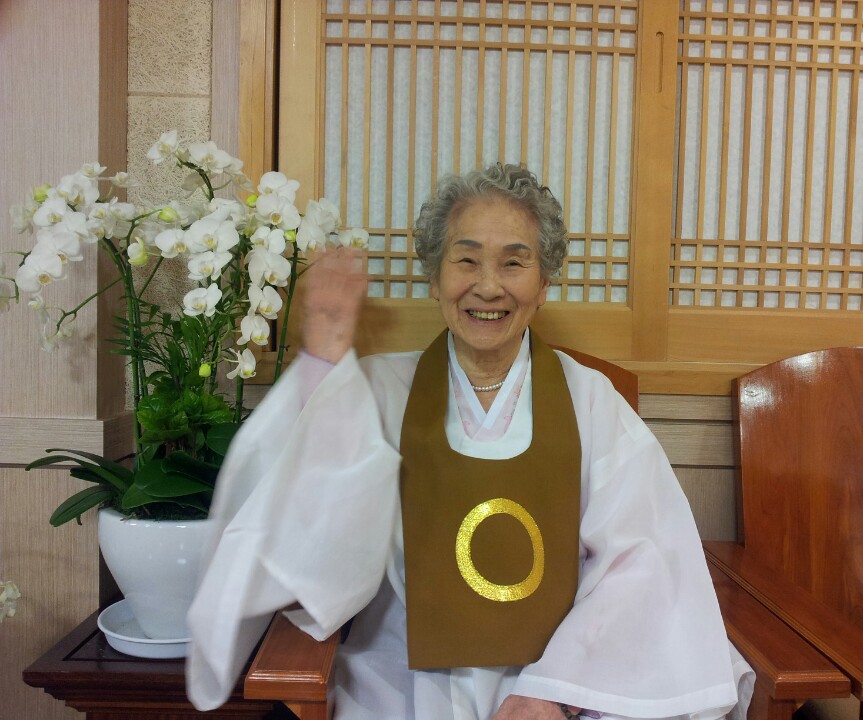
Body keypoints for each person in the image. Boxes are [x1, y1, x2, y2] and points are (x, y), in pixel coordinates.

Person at [186, 164, 754, 719]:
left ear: (544, 283)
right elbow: (314, 530)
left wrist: (554, 693)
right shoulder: (379, 391)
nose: (487, 285)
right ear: (434, 277)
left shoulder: (590, 400)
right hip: (400, 676)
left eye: (514, 262)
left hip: (556, 677)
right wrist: (322, 364)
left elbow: (642, 561)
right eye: (466, 260)